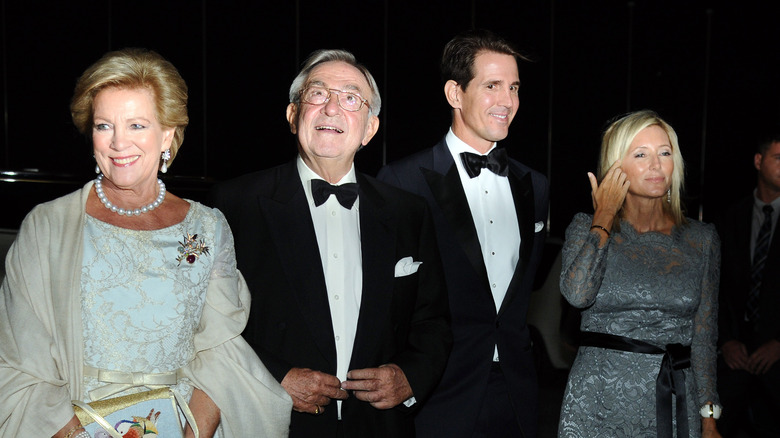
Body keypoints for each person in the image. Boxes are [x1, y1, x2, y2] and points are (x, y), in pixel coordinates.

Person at [0, 48, 291, 438]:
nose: (119, 143)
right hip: (71, 426)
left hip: (184, 422)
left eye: (137, 125)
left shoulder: (207, 227)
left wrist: (192, 435)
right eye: (104, 126)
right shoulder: (47, 226)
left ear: (167, 133)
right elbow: (20, 359)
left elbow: (221, 354)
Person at [209, 49, 452, 438]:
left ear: (370, 128)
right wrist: (276, 378)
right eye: (317, 94)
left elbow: (434, 322)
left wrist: (409, 377)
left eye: (351, 98)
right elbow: (210, 324)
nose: (332, 109)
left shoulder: (409, 212)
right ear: (292, 116)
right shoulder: (234, 205)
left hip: (379, 427)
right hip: (272, 421)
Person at [377, 29, 549, 438]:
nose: (507, 101)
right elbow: (385, 301)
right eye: (492, 86)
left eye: (514, 88)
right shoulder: (401, 181)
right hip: (436, 393)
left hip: (516, 392)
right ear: (455, 94)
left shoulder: (536, 186)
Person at [558, 110, 721, 437]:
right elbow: (576, 294)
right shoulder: (585, 226)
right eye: (641, 154)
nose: (656, 165)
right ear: (617, 165)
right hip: (597, 400)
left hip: (676, 399)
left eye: (664, 152)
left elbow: (704, 338)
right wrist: (603, 215)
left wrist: (710, 418)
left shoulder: (702, 239)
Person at [717, 133, 780, 437]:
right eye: (779, 159)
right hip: (735, 352)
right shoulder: (732, 216)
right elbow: (716, 286)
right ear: (759, 160)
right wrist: (726, 340)